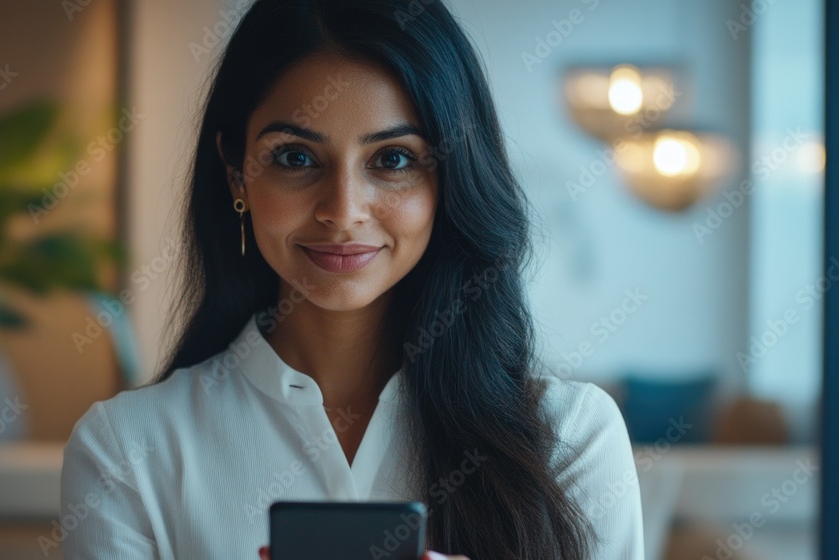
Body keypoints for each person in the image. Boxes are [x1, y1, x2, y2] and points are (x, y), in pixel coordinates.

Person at [60, 0, 645, 558]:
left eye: (392, 160)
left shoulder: (570, 440)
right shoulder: (127, 451)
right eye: (295, 157)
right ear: (237, 175)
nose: (343, 210)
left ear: (453, 178)